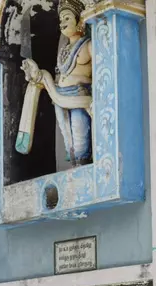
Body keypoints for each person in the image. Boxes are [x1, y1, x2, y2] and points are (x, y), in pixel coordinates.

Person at [17, 0, 93, 166]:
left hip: (79, 97)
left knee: (80, 138)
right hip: (60, 97)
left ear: (80, 20)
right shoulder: (64, 50)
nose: (62, 23)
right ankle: (75, 164)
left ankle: (83, 162)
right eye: (60, 20)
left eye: (67, 18)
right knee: (68, 140)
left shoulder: (88, 45)